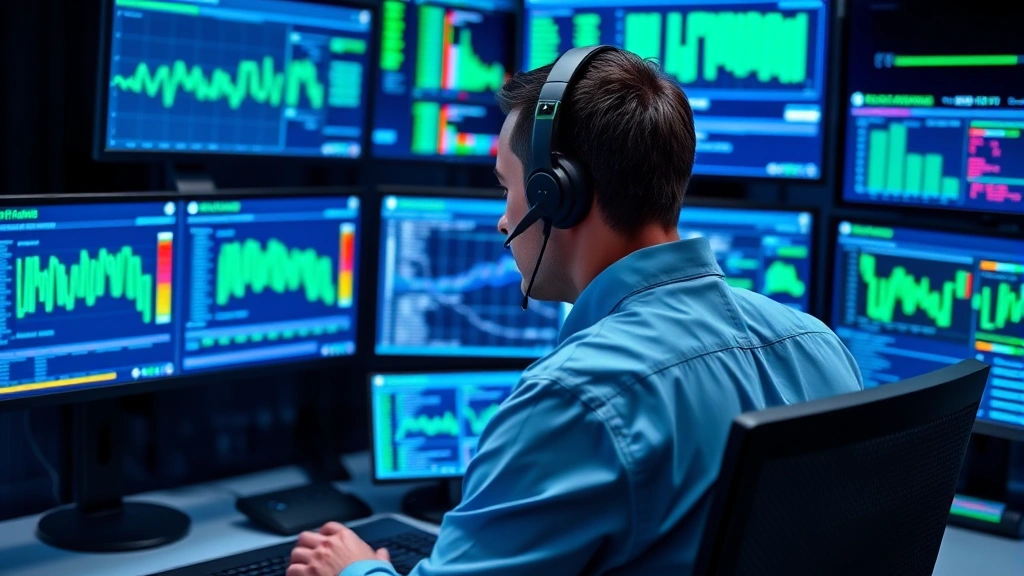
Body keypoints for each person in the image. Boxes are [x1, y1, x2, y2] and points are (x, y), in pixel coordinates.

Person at [286, 48, 863, 576]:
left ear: (555, 195)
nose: (503, 220)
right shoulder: (816, 345)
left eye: (507, 189)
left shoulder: (575, 401)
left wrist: (355, 569)